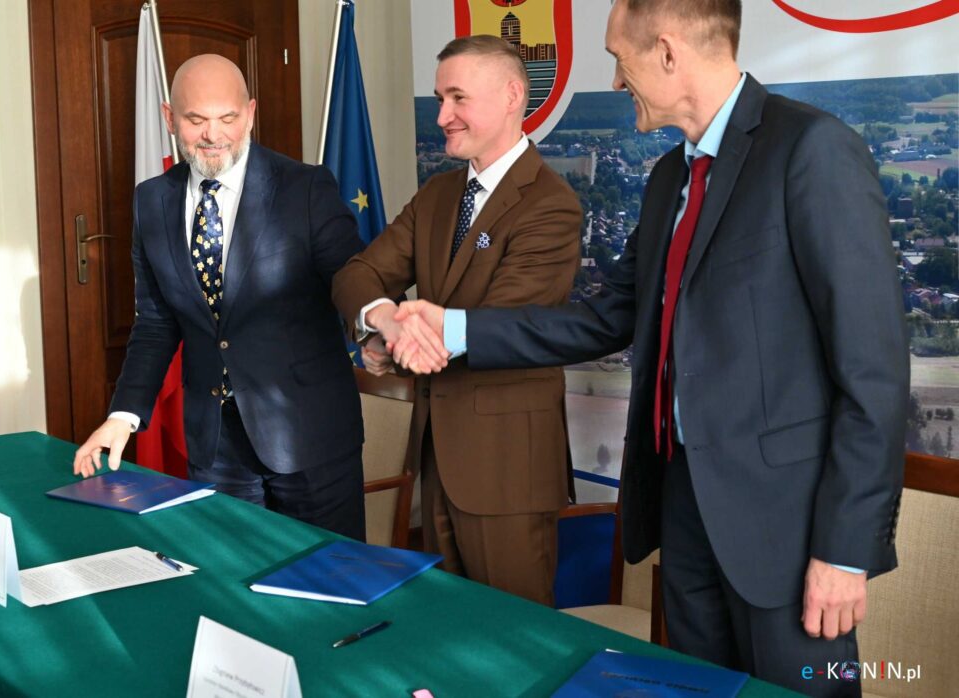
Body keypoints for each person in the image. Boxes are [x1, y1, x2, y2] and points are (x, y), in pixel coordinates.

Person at [389, 2, 909, 694]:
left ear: (667, 52)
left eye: (618, 58)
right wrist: (454, 329)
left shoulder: (812, 149)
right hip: (684, 505)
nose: (613, 80)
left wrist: (844, 551)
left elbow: (873, 372)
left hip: (788, 530)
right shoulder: (670, 178)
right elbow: (605, 318)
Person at [73, 54, 366, 541]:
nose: (213, 134)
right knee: (231, 574)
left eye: (227, 118)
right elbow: (156, 322)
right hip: (216, 444)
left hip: (309, 436)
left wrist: (380, 325)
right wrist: (123, 416)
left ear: (250, 114)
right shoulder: (152, 200)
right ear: (170, 118)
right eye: (196, 120)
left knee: (328, 577)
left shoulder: (305, 187)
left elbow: (353, 281)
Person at [331, 36, 582, 605]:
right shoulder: (438, 194)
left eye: (457, 98)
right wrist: (384, 319)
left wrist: (394, 345)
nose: (442, 116)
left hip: (507, 471)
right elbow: (356, 276)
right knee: (449, 629)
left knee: (513, 637)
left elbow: (498, 327)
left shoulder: (551, 204)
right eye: (440, 98)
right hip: (436, 461)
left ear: (512, 96)